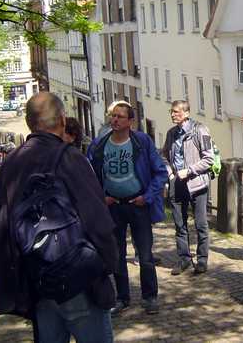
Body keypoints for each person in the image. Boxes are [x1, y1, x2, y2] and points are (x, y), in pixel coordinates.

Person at [0, 92, 118, 343]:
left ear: (29, 123)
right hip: (78, 278)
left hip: (37, 281)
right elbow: (97, 219)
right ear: (62, 119)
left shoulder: (10, 165)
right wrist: (108, 265)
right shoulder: (69, 158)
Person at [88, 101, 167, 316]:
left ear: (130, 121)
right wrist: (101, 197)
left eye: (120, 116)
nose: (114, 120)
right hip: (113, 207)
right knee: (117, 255)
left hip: (137, 205)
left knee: (145, 254)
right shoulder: (99, 145)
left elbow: (161, 172)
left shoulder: (141, 142)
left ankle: (150, 297)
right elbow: (89, 175)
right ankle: (122, 298)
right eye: (113, 116)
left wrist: (147, 197)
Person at [162, 100, 214, 276]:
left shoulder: (200, 130)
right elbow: (164, 157)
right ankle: (184, 258)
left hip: (197, 184)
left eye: (176, 112)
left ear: (186, 113)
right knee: (179, 224)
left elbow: (209, 159)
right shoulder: (171, 134)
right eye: (171, 111)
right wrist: (170, 174)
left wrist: (189, 171)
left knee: (200, 224)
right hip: (177, 183)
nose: (172, 114)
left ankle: (202, 260)